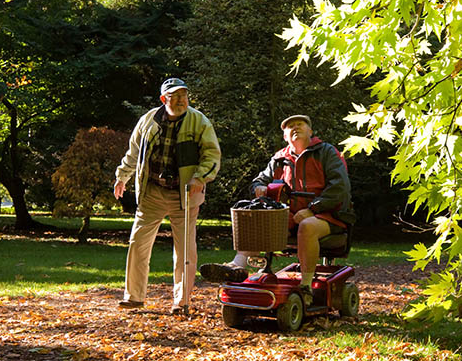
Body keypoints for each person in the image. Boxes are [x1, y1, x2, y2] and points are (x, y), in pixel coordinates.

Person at [200, 115, 352, 305]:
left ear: (310, 131)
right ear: (285, 136)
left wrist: (313, 209)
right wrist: (258, 187)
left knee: (307, 225)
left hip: (327, 215)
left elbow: (340, 188)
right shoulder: (280, 158)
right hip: (288, 216)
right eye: (290, 127)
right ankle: (237, 266)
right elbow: (260, 180)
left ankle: (305, 288)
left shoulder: (327, 152)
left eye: (300, 125)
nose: (295, 128)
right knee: (256, 215)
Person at [113, 77, 221, 314]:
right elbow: (133, 153)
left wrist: (199, 177)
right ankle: (133, 297)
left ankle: (181, 302)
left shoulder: (199, 121)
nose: (182, 100)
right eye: (175, 96)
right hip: (152, 191)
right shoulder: (148, 120)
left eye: (184, 95)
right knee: (138, 243)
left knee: (184, 250)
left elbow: (212, 155)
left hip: (184, 194)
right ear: (164, 99)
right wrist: (122, 177)